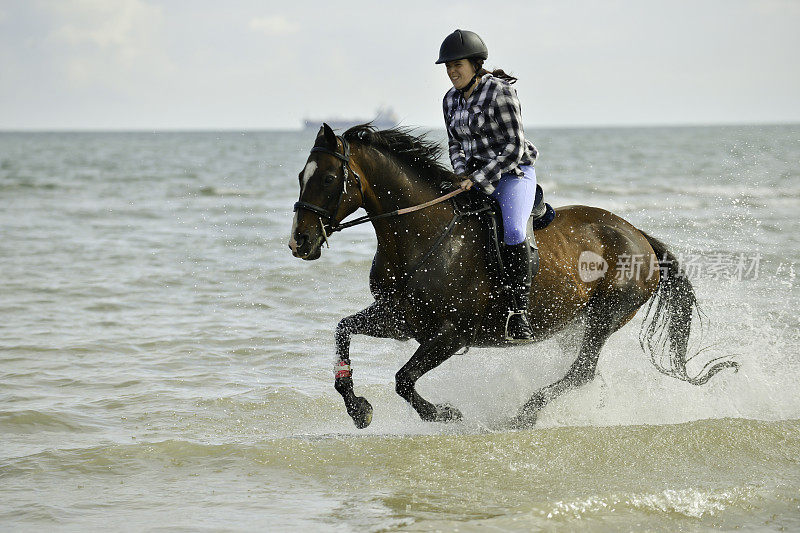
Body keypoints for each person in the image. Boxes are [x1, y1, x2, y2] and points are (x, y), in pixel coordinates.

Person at [437, 29, 539, 342]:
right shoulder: (450, 100)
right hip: (472, 178)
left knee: (513, 232)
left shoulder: (500, 92)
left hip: (512, 173)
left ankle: (518, 312)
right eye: (448, 67)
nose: (453, 72)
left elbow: (513, 146)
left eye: (458, 65)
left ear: (476, 64)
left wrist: (476, 179)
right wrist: (461, 173)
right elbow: (455, 143)